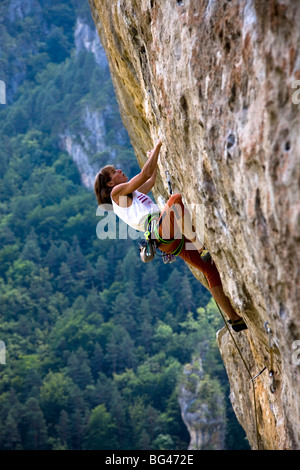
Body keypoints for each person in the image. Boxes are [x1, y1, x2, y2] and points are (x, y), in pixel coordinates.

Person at [94, 139, 247, 333]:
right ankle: (200, 246)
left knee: (210, 270)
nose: (121, 171)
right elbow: (144, 174)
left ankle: (234, 320)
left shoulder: (132, 195)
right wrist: (157, 146)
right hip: (159, 230)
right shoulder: (117, 194)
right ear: (110, 183)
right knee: (175, 200)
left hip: (165, 240)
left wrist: (153, 158)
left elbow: (150, 180)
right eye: (115, 172)